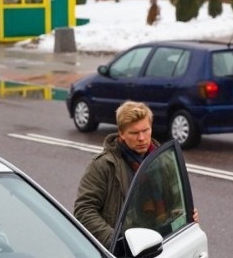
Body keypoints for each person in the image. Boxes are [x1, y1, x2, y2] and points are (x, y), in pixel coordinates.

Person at [74, 101, 198, 248]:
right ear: (121, 133)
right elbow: (84, 210)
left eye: (146, 130)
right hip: (123, 251)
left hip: (161, 241)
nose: (141, 138)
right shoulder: (103, 165)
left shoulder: (164, 160)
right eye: (134, 133)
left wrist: (185, 216)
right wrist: (116, 241)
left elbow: (176, 203)